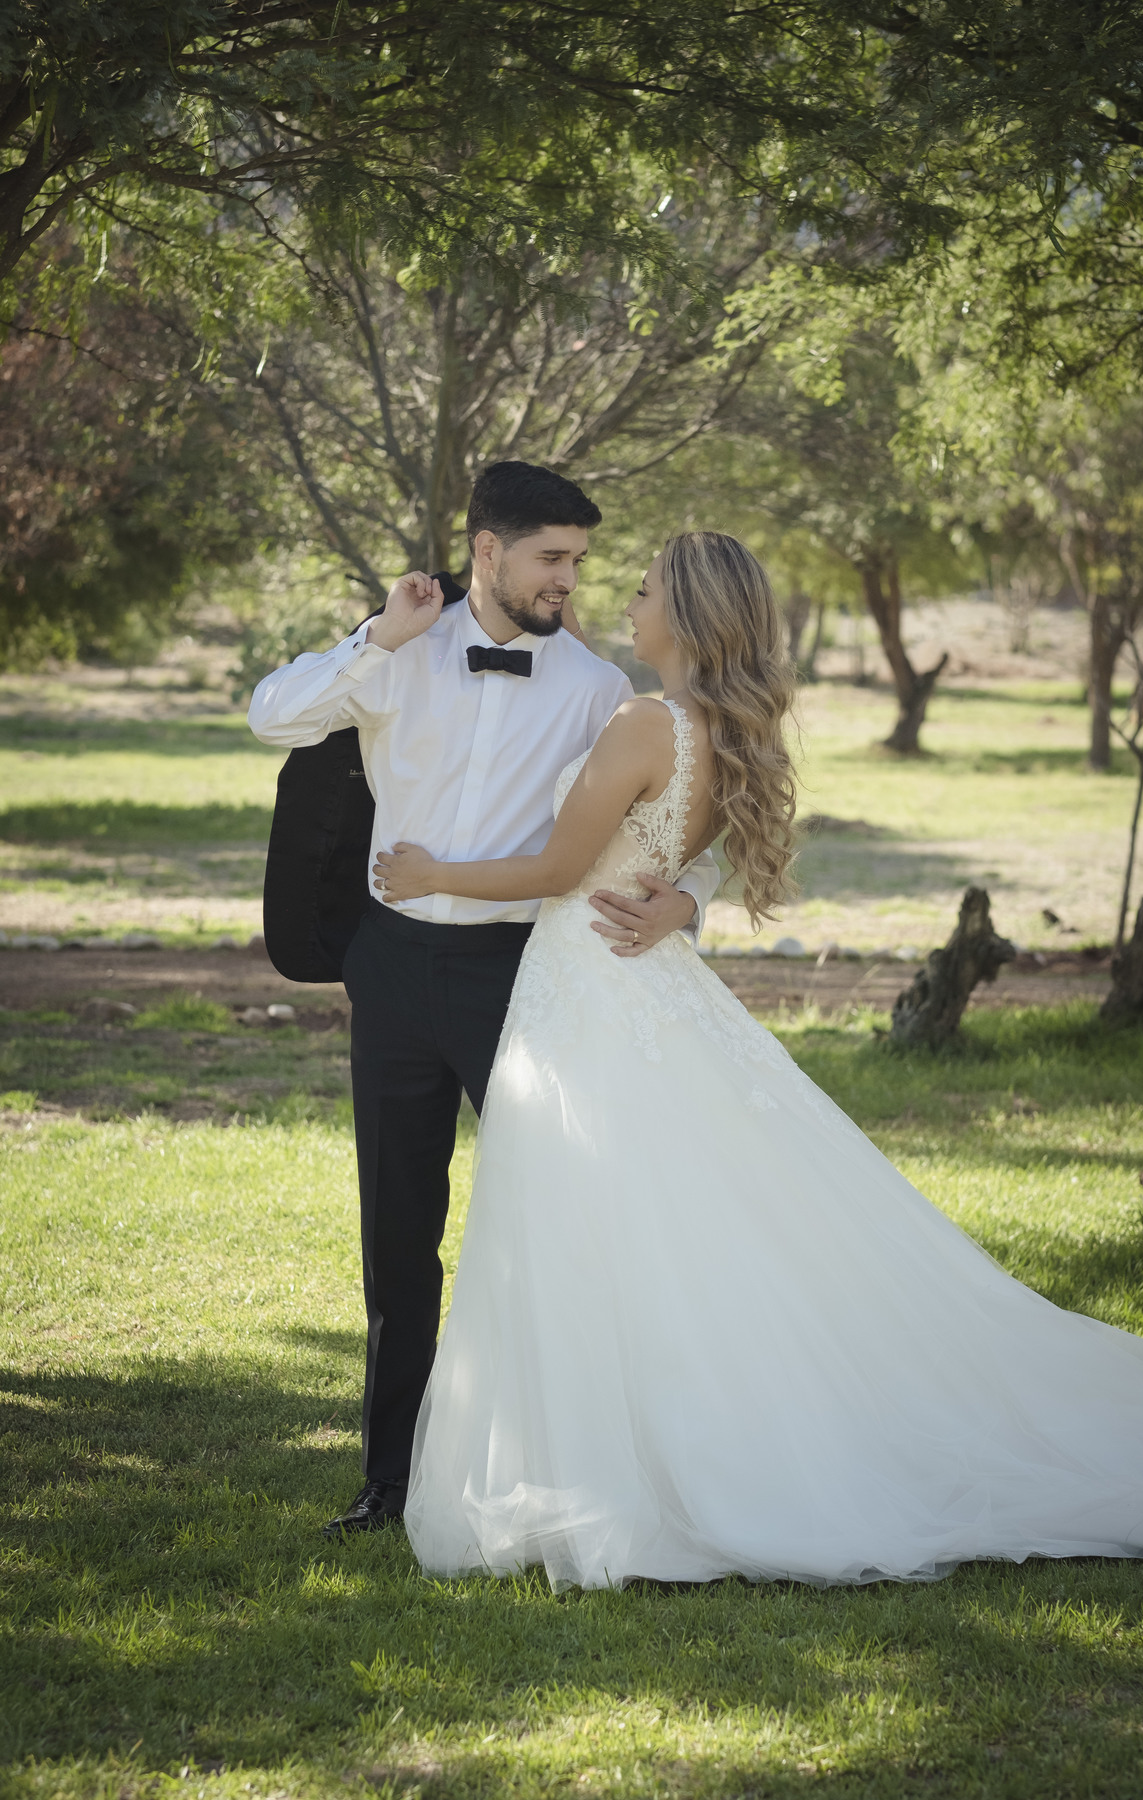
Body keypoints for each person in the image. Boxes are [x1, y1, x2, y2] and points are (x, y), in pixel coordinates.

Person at [375, 529, 1143, 1591]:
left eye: (642, 590)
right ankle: (646, 1447)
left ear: (690, 615)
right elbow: (689, 843)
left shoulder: (639, 724)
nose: (623, 601)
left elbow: (558, 867)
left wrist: (434, 867)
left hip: (586, 981)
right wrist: (687, 896)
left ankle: (626, 1466)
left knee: (587, 1223)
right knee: (660, 1228)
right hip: (644, 986)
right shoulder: (719, 729)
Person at [247, 463, 719, 1537]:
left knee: (556, 1223)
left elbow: (688, 820)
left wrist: (687, 900)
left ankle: (584, 1468)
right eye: (552, 558)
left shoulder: (600, 688)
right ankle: (390, 1479)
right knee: (397, 1231)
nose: (569, 580)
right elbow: (272, 718)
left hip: (530, 978)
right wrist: (376, 636)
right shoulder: (395, 659)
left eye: (581, 563)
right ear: (487, 552)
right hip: (393, 969)